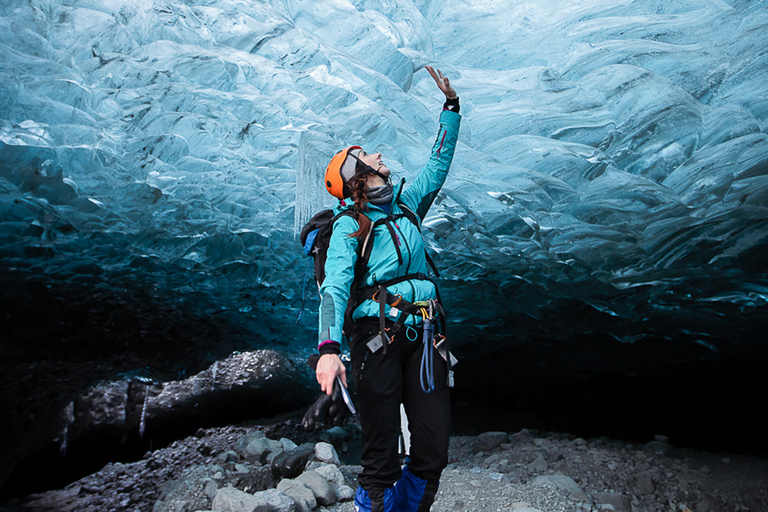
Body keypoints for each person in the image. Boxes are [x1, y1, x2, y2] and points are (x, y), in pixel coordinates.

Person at [315, 66, 460, 512]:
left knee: (432, 450)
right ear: (356, 176)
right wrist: (328, 349)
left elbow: (438, 166)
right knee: (381, 459)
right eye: (366, 155)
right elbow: (335, 287)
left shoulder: (407, 205)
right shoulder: (349, 224)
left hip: (426, 335)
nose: (378, 155)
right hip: (376, 339)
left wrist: (451, 107)